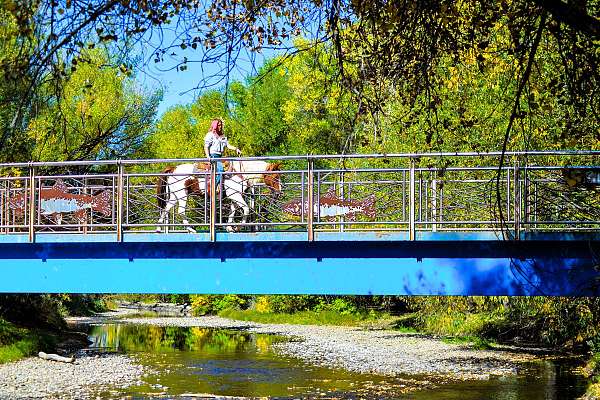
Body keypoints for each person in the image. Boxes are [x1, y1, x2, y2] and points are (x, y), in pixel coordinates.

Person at [204, 119, 242, 193]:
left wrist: (236, 149)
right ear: (215, 125)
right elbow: (206, 146)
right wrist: (208, 156)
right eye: (218, 125)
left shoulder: (222, 136)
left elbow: (228, 145)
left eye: (221, 125)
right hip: (213, 156)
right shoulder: (210, 134)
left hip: (220, 156)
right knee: (221, 170)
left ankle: (224, 190)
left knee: (231, 168)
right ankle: (213, 187)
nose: (220, 127)